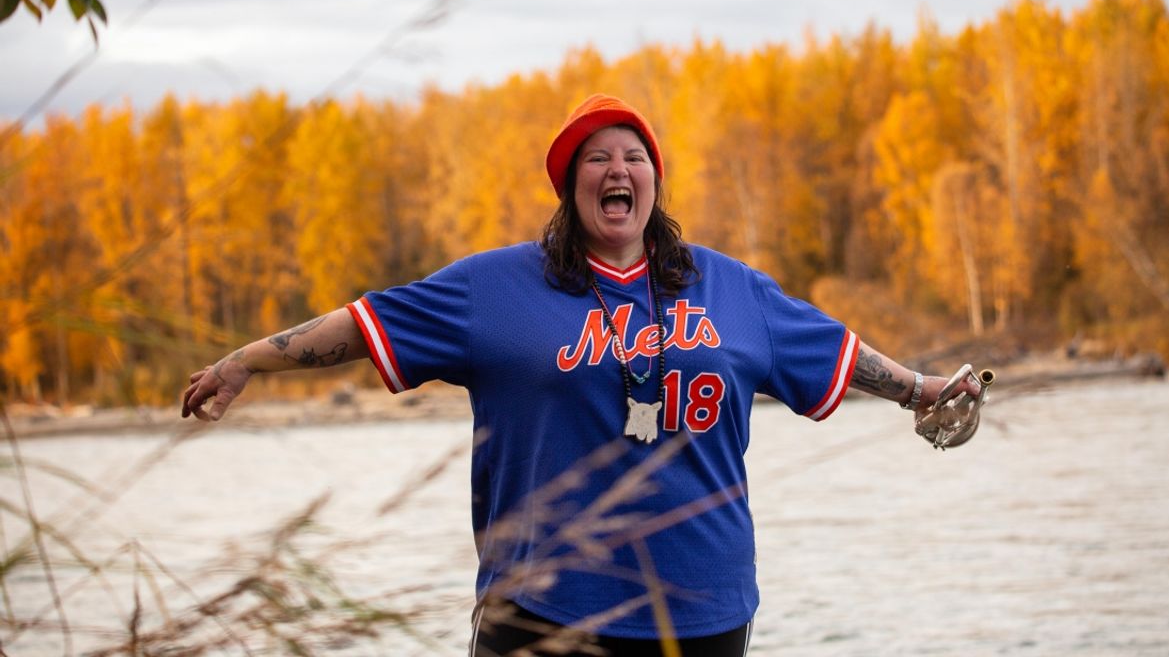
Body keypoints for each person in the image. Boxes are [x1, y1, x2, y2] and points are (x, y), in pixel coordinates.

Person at [181, 93, 982, 656]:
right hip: (542, 610)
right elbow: (366, 325)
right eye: (596, 158)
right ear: (571, 187)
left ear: (654, 181)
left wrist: (923, 392)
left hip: (702, 612)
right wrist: (245, 360)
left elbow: (837, 352)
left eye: (634, 156)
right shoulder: (495, 288)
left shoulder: (732, 288)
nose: (616, 168)